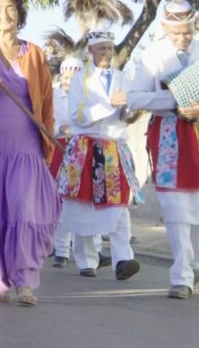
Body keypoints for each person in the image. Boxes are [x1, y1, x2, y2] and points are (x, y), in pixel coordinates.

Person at [122, 0, 199, 299]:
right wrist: (172, 101)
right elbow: (135, 98)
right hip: (169, 137)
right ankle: (181, 276)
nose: (183, 38)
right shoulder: (152, 56)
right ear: (164, 28)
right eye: (176, 33)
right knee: (175, 208)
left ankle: (195, 263)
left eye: (187, 32)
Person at [0, 0, 59, 307]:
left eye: (10, 8)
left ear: (19, 13)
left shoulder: (34, 54)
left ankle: (25, 281)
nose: (4, 15)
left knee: (23, 207)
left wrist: (48, 144)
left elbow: (46, 102)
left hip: (27, 148)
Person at [58, 26, 141, 280]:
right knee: (81, 204)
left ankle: (123, 259)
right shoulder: (79, 80)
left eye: (109, 48)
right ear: (91, 50)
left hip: (113, 147)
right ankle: (86, 260)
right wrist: (109, 103)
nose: (106, 52)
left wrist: (131, 111)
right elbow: (78, 116)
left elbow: (125, 114)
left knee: (119, 205)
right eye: (102, 48)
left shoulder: (123, 78)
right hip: (85, 147)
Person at [50, 56, 82, 267]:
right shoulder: (53, 96)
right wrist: (60, 128)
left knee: (82, 201)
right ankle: (61, 249)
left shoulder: (87, 96)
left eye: (74, 78)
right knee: (60, 202)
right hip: (59, 150)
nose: (69, 81)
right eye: (66, 77)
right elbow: (44, 122)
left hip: (82, 149)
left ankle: (91, 251)